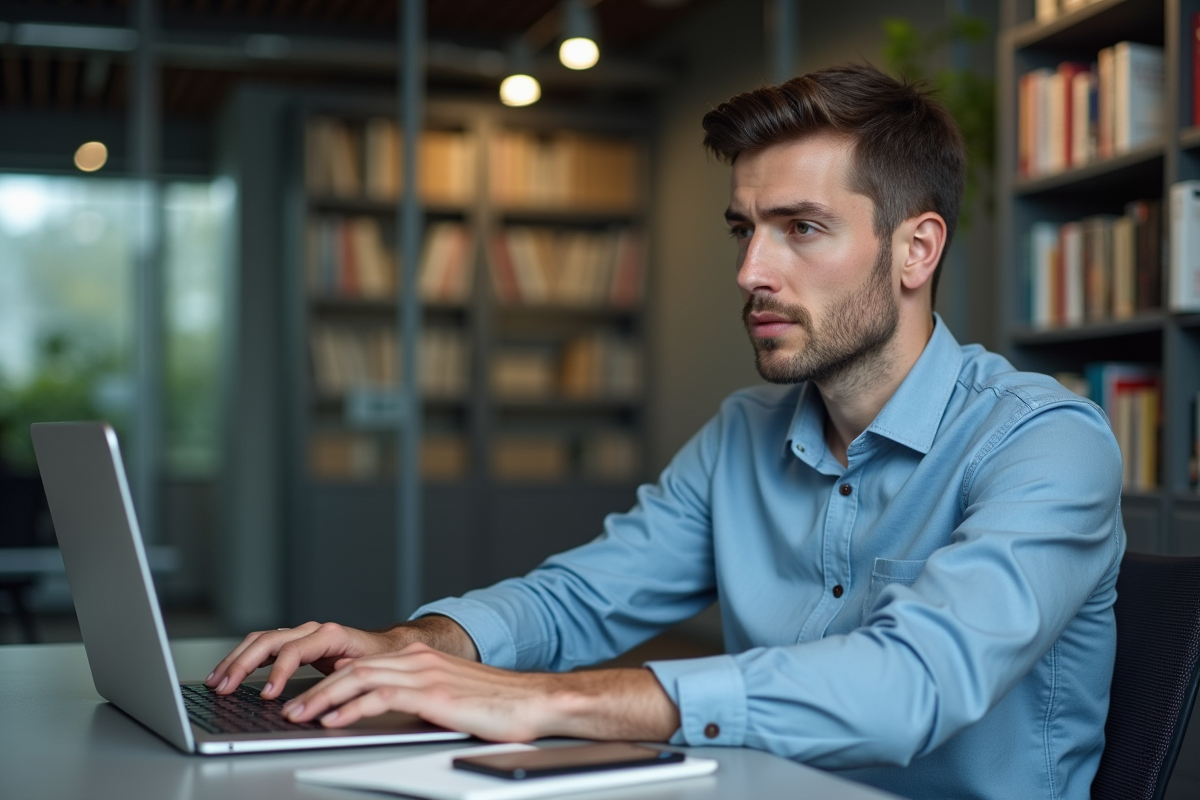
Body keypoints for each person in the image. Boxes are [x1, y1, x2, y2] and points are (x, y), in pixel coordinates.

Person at [207, 64, 1124, 800]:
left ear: (916, 249)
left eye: (802, 228)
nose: (751, 271)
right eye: (743, 230)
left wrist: (542, 702)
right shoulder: (743, 435)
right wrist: (423, 647)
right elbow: (578, 600)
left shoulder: (1047, 443)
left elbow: (914, 682)